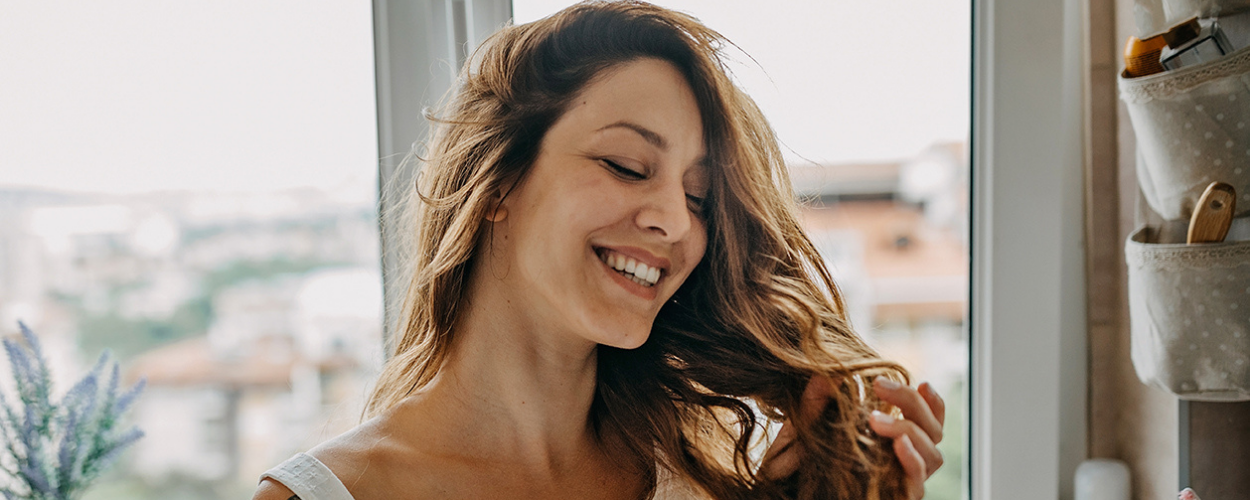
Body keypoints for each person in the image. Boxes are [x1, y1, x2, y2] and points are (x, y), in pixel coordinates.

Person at [253, 1, 945, 499]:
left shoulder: (698, 485)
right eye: (626, 165)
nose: (675, 220)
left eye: (700, 198)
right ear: (497, 183)